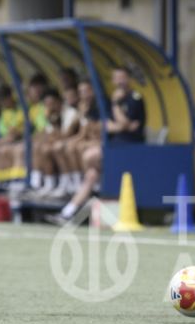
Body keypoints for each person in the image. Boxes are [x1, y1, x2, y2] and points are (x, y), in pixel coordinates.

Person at [48, 68, 145, 223]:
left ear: (129, 79)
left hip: (129, 147)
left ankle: (95, 187)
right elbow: (106, 125)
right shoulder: (103, 102)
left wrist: (115, 105)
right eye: (116, 78)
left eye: (122, 77)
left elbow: (124, 125)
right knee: (91, 174)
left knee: (89, 155)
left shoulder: (134, 99)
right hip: (114, 144)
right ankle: (67, 213)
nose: (119, 81)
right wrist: (115, 125)